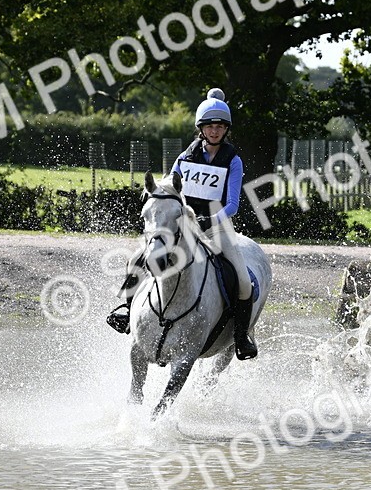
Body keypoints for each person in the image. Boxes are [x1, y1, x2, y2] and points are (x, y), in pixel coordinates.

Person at [106, 88, 258, 360]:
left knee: (243, 281)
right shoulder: (186, 157)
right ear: (201, 128)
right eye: (210, 126)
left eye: (220, 127)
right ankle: (128, 312)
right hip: (182, 224)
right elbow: (167, 186)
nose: (214, 131)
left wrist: (209, 219)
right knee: (137, 261)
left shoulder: (233, 161)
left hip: (217, 225)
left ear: (226, 130)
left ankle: (241, 336)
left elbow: (233, 204)